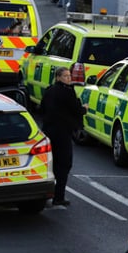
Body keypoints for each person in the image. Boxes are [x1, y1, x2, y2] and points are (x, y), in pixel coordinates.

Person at [38, 66, 85, 206]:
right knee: (64, 164)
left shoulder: (49, 91)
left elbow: (41, 109)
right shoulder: (68, 92)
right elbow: (76, 109)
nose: (68, 78)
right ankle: (59, 196)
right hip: (63, 133)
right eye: (65, 76)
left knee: (50, 163)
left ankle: (45, 192)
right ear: (58, 77)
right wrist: (84, 109)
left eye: (69, 76)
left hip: (49, 132)